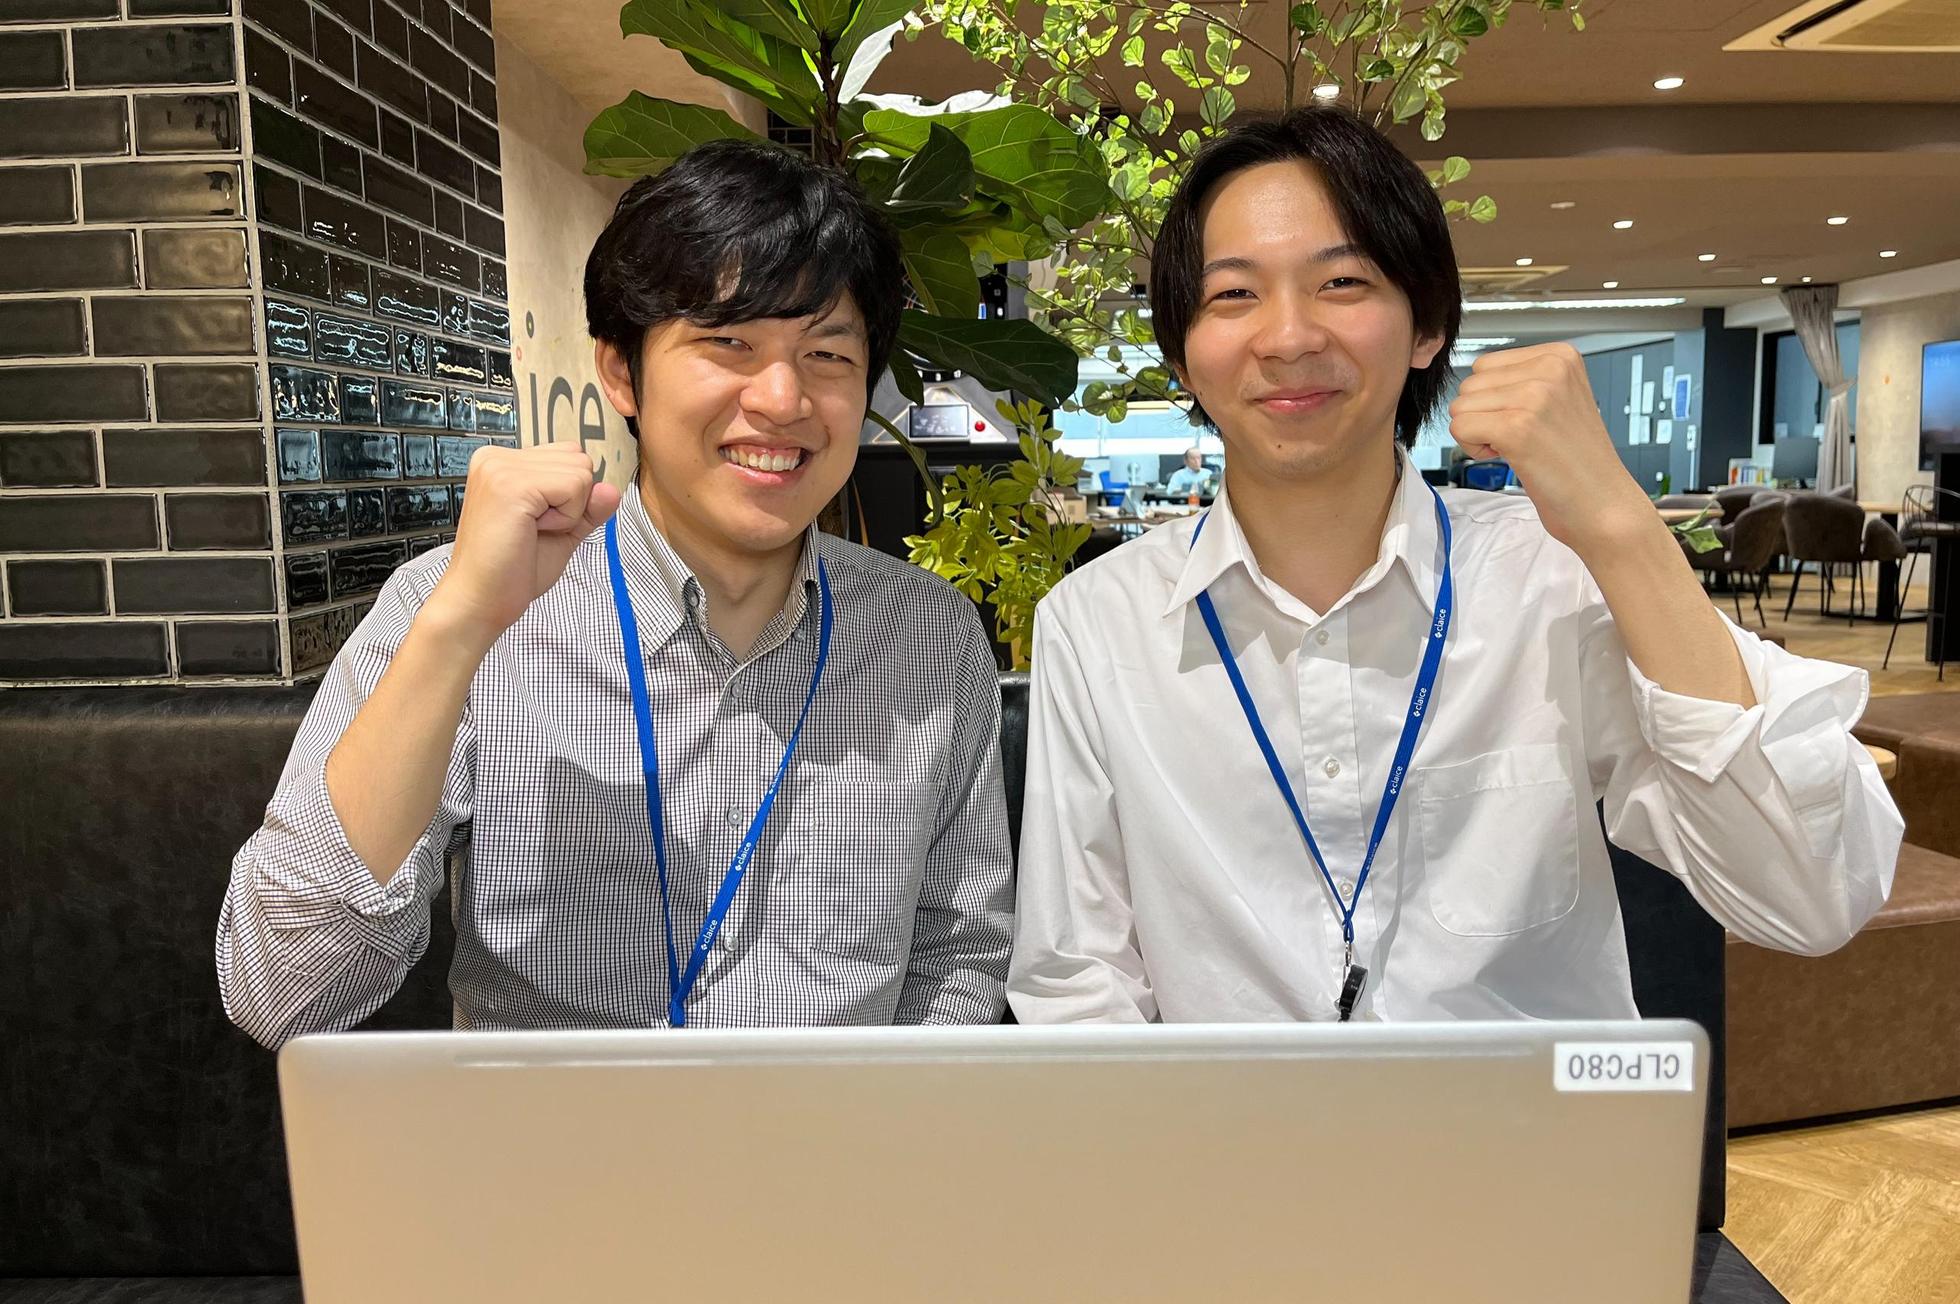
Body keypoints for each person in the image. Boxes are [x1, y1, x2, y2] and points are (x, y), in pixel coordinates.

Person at [1008, 108, 1901, 1024]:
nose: (1288, 336)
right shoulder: (1099, 621)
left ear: (1427, 325)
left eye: (1342, 281)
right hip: (1231, 1119)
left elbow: (1811, 897)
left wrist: (1622, 529)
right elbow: (1077, 978)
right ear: (1182, 355)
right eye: (1234, 294)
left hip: (1525, 1116)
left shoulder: (1552, 577)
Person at [218, 140, 1014, 1046]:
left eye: (826, 352)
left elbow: (959, 950)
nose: (783, 398)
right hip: (551, 1137)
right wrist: (459, 628)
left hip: (840, 1135)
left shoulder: (927, 635)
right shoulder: (461, 607)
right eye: (729, 342)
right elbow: (283, 994)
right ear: (622, 372)